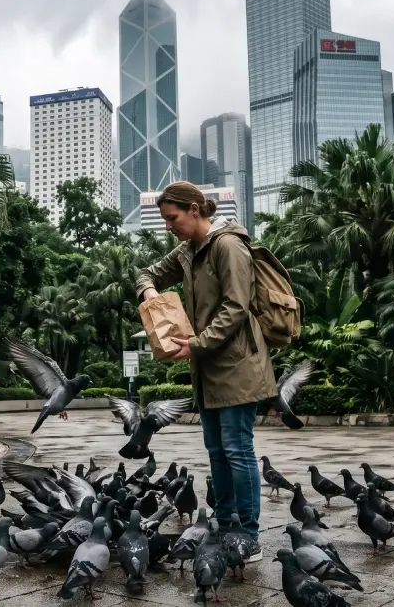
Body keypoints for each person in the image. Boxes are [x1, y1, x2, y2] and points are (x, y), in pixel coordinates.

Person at [134, 181, 274, 563]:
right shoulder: (186, 252)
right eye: (165, 219)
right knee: (216, 451)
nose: (168, 226)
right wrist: (150, 292)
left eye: (172, 218)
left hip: (239, 365)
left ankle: (248, 534)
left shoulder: (228, 246)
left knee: (238, 450)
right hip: (207, 369)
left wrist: (193, 344)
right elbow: (146, 273)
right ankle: (225, 523)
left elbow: (236, 308)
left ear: (195, 210)